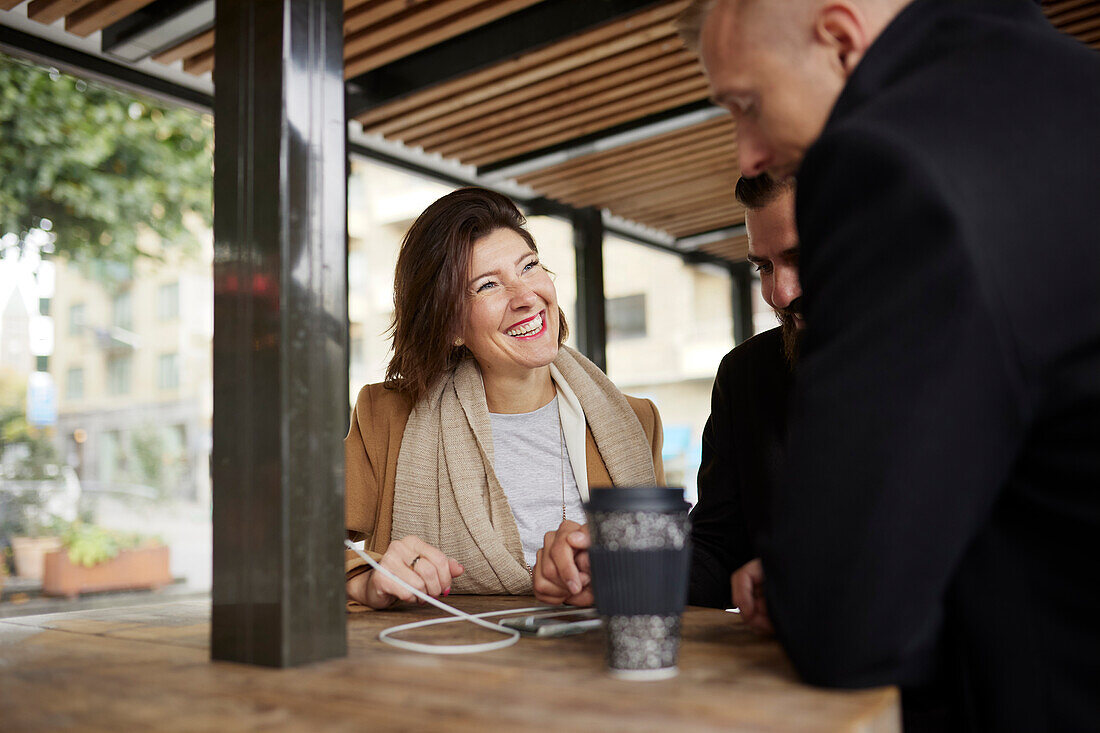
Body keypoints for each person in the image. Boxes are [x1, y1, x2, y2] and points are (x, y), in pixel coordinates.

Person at [680, 0, 1100, 729]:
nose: (746, 153)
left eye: (746, 104)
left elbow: (844, 621)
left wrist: (801, 578)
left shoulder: (891, 160)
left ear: (841, 41)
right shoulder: (1064, 85)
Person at [344, 187, 665, 610]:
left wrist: (597, 574)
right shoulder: (387, 416)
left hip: (594, 663)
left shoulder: (634, 420)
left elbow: (662, 568)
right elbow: (291, 546)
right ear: (450, 325)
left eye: (529, 266)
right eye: (488, 285)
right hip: (440, 662)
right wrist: (365, 580)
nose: (526, 296)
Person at [688, 174, 800, 630]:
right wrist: (620, 571)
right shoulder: (745, 375)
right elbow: (716, 548)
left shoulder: (966, 361)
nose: (780, 293)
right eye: (764, 267)